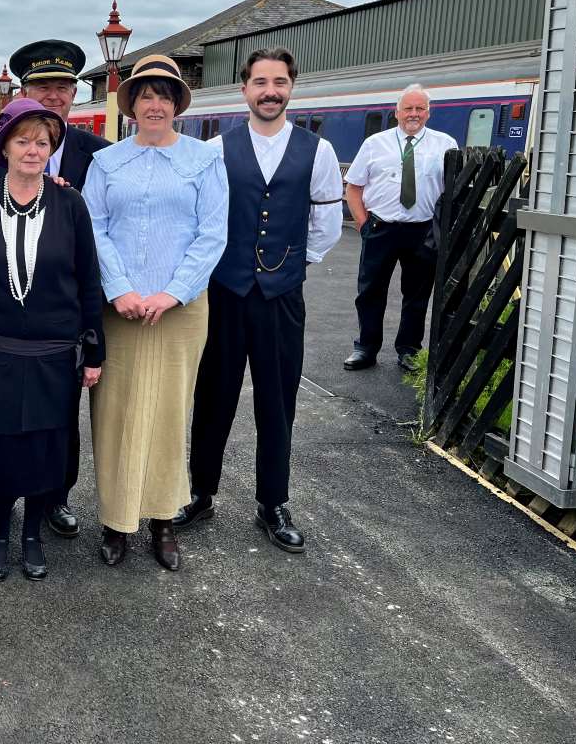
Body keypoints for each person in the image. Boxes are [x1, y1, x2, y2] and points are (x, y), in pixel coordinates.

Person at [179, 47, 343, 554]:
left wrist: (294, 265)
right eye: (260, 82)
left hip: (280, 298)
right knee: (213, 398)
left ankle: (273, 501)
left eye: (280, 82)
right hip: (225, 293)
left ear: (292, 87)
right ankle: (200, 492)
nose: (270, 91)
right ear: (244, 89)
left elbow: (327, 224)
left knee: (278, 403)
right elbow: (200, 221)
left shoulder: (316, 151)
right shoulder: (214, 149)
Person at [82, 54, 228, 571]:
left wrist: (173, 292)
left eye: (164, 95)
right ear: (131, 105)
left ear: (177, 105)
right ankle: (116, 520)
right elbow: (93, 229)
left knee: (169, 411)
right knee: (114, 412)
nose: (155, 104)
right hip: (118, 308)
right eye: (146, 95)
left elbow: (212, 233)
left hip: (180, 309)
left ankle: (164, 519)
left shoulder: (204, 161)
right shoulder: (107, 164)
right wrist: (119, 288)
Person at [0, 98, 105, 582]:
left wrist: (94, 351)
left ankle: (33, 534)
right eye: (23, 141)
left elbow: (88, 282)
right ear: (3, 147)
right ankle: (0, 532)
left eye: (43, 142)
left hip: (55, 355)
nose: (33, 150)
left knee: (48, 449)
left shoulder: (70, 203)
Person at [0, 39, 109, 540]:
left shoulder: (98, 155)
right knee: (1, 419)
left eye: (63, 87)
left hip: (61, 309)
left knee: (59, 418)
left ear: (74, 94)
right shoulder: (0, 158)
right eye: (42, 86)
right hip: (4, 315)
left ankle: (56, 497)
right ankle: (1, 498)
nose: (54, 95)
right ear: (24, 91)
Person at [343, 84, 457, 372]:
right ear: (397, 112)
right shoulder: (374, 144)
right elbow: (353, 188)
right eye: (408, 108)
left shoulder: (445, 145)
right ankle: (366, 348)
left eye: (420, 109)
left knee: (417, 295)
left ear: (428, 113)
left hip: (423, 230)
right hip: (380, 227)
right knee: (370, 291)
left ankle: (408, 350)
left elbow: (451, 191)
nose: (414, 114)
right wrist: (363, 223)